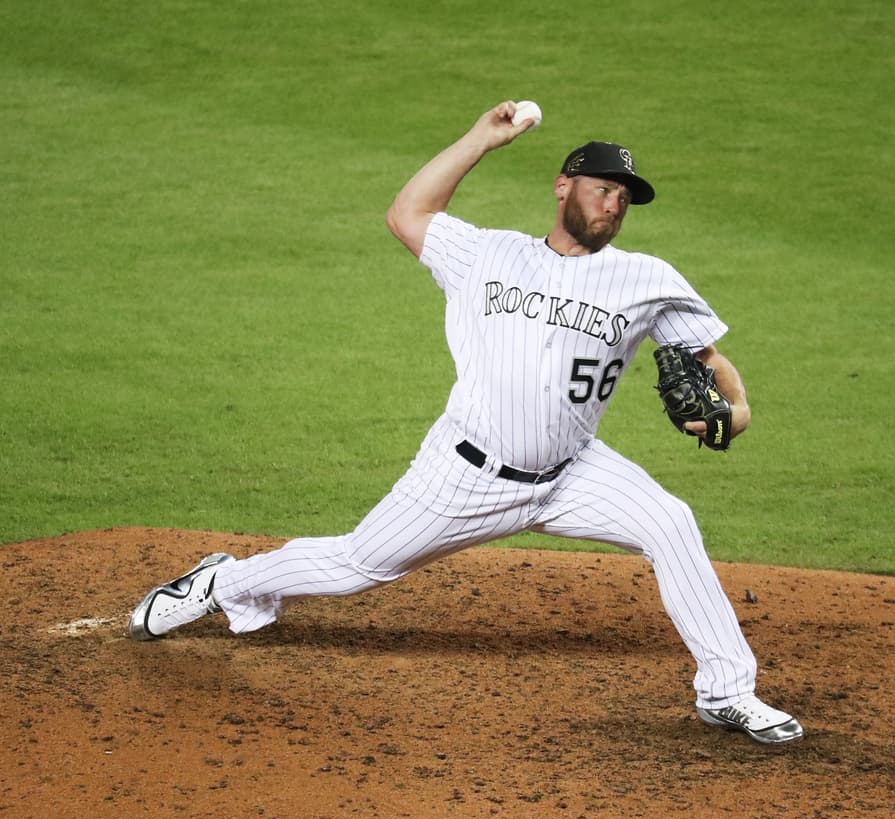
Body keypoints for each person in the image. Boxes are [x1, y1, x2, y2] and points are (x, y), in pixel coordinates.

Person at [127, 101, 802, 745]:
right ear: (564, 187)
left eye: (626, 197)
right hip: (465, 473)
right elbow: (407, 211)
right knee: (358, 563)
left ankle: (726, 690)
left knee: (670, 520)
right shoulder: (486, 254)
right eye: (604, 188)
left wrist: (734, 414)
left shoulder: (645, 278)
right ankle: (222, 583)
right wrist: (482, 138)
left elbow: (710, 359)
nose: (616, 203)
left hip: (574, 472)